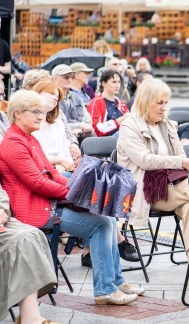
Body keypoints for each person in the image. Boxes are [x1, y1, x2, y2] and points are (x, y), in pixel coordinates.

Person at [0, 90, 144, 306]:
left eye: (41, 111)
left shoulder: (28, 139)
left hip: (47, 204)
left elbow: (54, 174)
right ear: (18, 114)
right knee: (101, 225)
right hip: (34, 209)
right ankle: (105, 289)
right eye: (35, 112)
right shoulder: (14, 143)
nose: (41, 115)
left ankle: (114, 281)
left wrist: (81, 188)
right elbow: (36, 183)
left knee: (108, 218)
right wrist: (77, 194)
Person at [117, 78, 189, 289]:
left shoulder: (166, 124)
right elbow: (145, 160)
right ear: (145, 101)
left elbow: (180, 153)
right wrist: (180, 162)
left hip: (175, 183)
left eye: (166, 103)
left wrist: (181, 162)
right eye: (159, 103)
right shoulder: (129, 126)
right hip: (146, 188)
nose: (164, 108)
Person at [0, 183, 62, 324]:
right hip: (35, 204)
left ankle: (28, 313)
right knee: (22, 241)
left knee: (33, 234)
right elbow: (34, 179)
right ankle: (30, 323)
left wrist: (2, 210)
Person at [30, 81, 75, 175]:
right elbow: (32, 158)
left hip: (63, 170)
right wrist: (57, 161)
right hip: (40, 172)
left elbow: (66, 153)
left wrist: (63, 164)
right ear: (38, 93)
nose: (55, 98)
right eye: (51, 94)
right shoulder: (27, 124)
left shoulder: (58, 124)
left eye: (57, 96)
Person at [52, 64, 94, 142]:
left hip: (81, 132)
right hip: (61, 134)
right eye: (66, 77)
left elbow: (87, 117)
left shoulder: (76, 97)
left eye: (71, 77)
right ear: (54, 79)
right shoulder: (52, 98)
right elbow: (56, 123)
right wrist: (79, 126)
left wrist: (82, 128)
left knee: (92, 137)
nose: (70, 80)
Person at [87, 70, 130, 137]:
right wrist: (118, 121)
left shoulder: (121, 104)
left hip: (123, 138)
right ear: (104, 83)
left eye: (119, 82)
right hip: (105, 140)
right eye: (114, 82)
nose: (117, 85)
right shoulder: (96, 102)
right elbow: (97, 129)